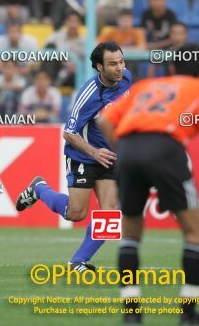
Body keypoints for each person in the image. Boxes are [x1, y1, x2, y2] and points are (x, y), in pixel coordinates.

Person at [96, 43, 199, 325]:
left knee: (130, 235)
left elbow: (105, 120)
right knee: (194, 233)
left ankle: (131, 314)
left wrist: (126, 148)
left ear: (171, 68)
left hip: (129, 149)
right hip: (166, 149)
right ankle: (188, 314)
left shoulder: (146, 86)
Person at [15, 42, 132, 272]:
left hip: (109, 156)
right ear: (99, 67)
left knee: (109, 215)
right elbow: (68, 132)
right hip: (84, 156)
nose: (119, 68)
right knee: (75, 214)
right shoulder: (89, 95)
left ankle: (77, 262)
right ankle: (39, 189)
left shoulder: (126, 79)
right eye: (112, 64)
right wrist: (94, 152)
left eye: (121, 61)